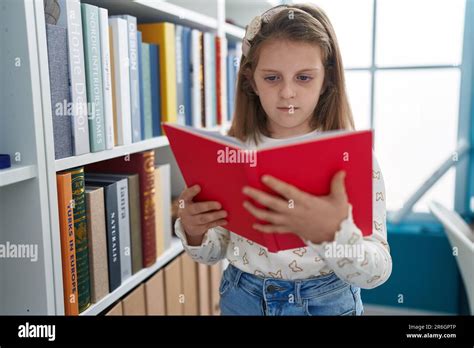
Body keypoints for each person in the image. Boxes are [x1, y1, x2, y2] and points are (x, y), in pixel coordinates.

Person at [174, 3, 392, 316]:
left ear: (327, 79)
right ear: (250, 79)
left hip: (327, 300)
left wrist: (333, 235)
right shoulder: (229, 151)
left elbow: (377, 272)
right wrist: (194, 230)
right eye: (272, 78)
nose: (287, 92)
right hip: (243, 297)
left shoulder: (351, 156)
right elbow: (212, 252)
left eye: (303, 77)